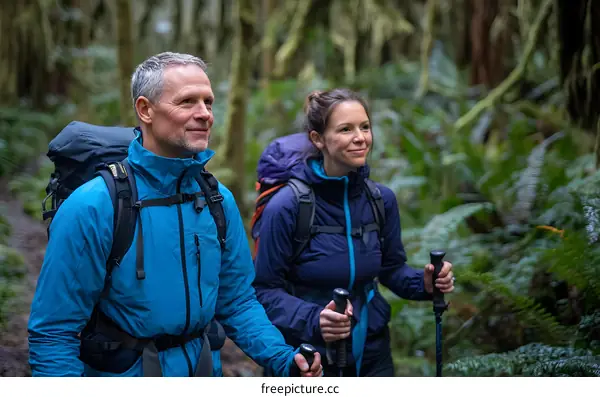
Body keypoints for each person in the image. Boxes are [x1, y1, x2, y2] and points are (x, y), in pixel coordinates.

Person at [27, 52, 322, 377]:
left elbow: (236, 300)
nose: (205, 114)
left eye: (208, 102)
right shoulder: (95, 205)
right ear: (145, 109)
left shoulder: (216, 199)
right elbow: (54, 332)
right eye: (187, 102)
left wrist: (283, 360)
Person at [251, 88, 455, 377]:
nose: (360, 137)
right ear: (317, 139)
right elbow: (264, 291)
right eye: (346, 129)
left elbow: (391, 270)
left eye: (365, 127)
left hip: (372, 351)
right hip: (307, 355)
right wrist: (315, 319)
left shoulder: (380, 200)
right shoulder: (288, 206)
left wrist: (425, 284)